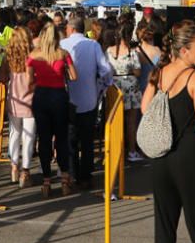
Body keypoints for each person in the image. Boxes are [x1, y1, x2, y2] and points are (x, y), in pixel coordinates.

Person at [142, 21, 195, 243]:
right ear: (184, 50)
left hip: (161, 158)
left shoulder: (158, 73)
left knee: (165, 227)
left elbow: (144, 108)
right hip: (190, 158)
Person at [61, 15, 114, 189]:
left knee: (70, 139)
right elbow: (105, 69)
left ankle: (71, 173)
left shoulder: (62, 45)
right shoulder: (93, 45)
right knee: (86, 139)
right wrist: (105, 85)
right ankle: (85, 175)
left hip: (67, 99)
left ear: (71, 28)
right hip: (89, 98)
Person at [27, 22, 78, 198]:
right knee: (61, 139)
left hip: (41, 97)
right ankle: (65, 179)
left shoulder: (33, 55)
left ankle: (46, 181)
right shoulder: (63, 54)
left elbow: (29, 82)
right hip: (59, 97)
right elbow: (74, 76)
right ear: (57, 38)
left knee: (44, 139)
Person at [0, 26, 36, 188]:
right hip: (30, 98)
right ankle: (25, 171)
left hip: (13, 99)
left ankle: (14, 167)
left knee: (14, 133)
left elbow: (1, 77)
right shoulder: (33, 56)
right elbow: (31, 78)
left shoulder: (8, 56)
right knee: (29, 137)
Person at [107, 21, 143, 162]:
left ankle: (116, 151)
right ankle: (132, 151)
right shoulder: (132, 53)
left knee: (115, 121)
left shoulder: (109, 51)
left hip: (114, 87)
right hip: (131, 87)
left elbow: (106, 70)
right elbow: (138, 72)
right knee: (131, 122)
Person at [136, 24, 162, 92]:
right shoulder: (157, 50)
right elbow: (156, 64)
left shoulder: (137, 51)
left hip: (141, 87)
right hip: (154, 85)